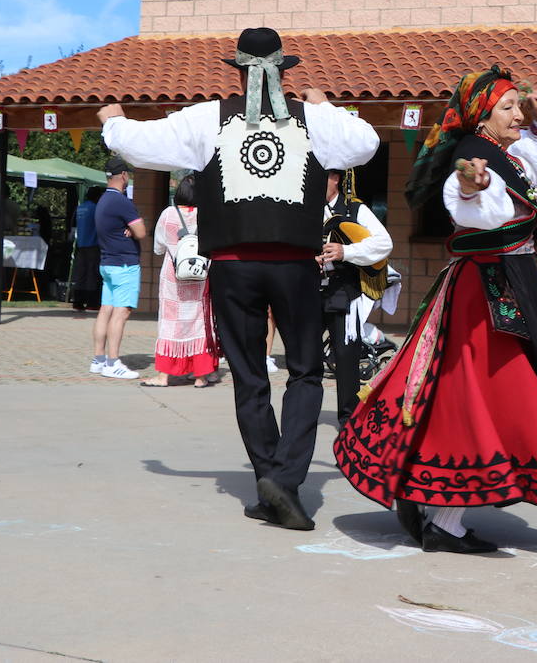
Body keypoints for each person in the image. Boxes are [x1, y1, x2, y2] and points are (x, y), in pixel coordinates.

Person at [100, 27, 379, 531]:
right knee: (305, 372)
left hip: (232, 267)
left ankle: (272, 481)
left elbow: (142, 145)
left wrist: (114, 124)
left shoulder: (209, 118)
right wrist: (323, 102)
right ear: (283, 70)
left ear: (238, 69)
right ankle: (286, 480)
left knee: (250, 376)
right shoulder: (313, 120)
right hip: (296, 265)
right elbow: (366, 143)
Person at [334, 66, 537, 554]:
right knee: (480, 391)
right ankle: (441, 517)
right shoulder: (473, 157)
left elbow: (534, 181)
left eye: (518, 106)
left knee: (481, 391)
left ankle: (432, 504)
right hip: (485, 293)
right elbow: (471, 205)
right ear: (483, 118)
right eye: (508, 107)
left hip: (507, 284)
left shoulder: (502, 154)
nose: (518, 113)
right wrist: (470, 186)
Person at [319, 169, 393, 426]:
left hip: (342, 290)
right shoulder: (303, 206)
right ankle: (303, 414)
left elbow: (384, 243)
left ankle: (349, 417)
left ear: (336, 178)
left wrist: (346, 251)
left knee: (345, 354)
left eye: (323, 175)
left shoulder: (354, 209)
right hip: (307, 290)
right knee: (304, 356)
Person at [142, 175, 217, 389]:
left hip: (174, 278)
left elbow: (158, 248)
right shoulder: (206, 215)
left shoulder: (168, 214)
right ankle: (201, 376)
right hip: (200, 276)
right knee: (199, 324)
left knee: (170, 325)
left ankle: (163, 376)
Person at [90, 156, 145, 381]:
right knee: (121, 313)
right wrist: (133, 230)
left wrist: (129, 229)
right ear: (123, 175)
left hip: (108, 263)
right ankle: (113, 362)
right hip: (124, 265)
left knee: (106, 310)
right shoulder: (122, 201)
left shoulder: (103, 200)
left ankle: (98, 359)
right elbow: (141, 231)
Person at [70, 186, 103, 312]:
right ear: (97, 196)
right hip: (93, 244)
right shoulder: (96, 208)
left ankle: (77, 301)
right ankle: (92, 302)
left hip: (81, 244)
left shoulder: (80, 207)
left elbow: (73, 224)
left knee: (80, 273)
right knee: (92, 273)